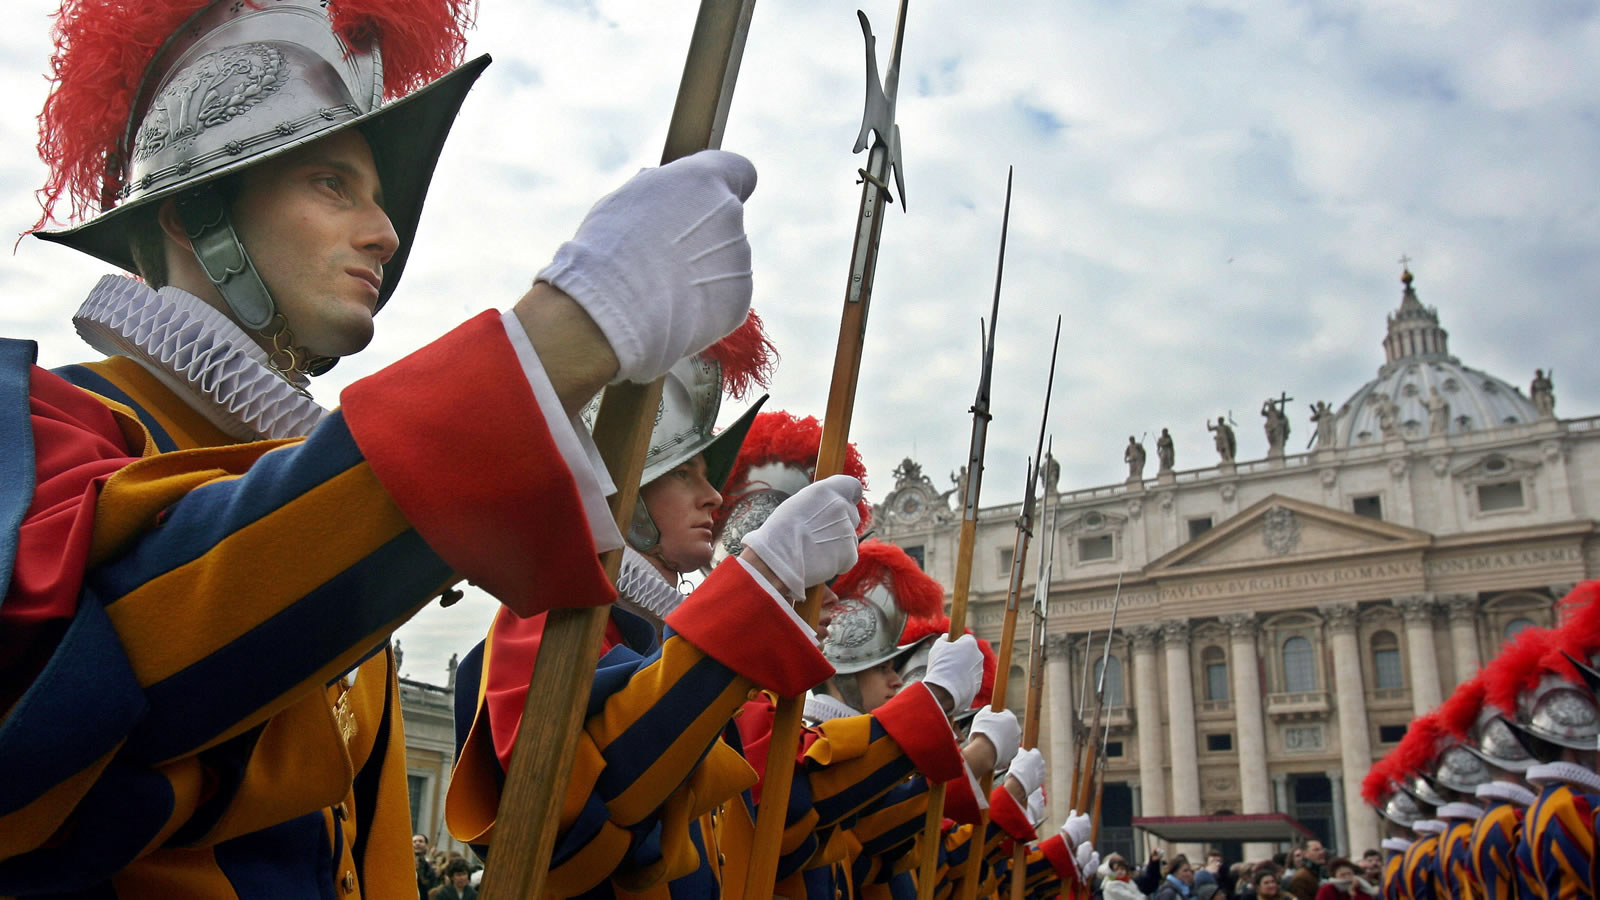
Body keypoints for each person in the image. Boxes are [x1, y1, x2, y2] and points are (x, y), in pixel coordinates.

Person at [1, 0, 767, 894]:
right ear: (191, 210)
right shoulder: (38, 427)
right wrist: (549, 347)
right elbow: (55, 718)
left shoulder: (342, 512)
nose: (386, 233)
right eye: (334, 184)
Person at [416, 833, 441, 900]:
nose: (417, 843)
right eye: (414, 841)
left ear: (426, 846)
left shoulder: (430, 868)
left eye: (420, 841)